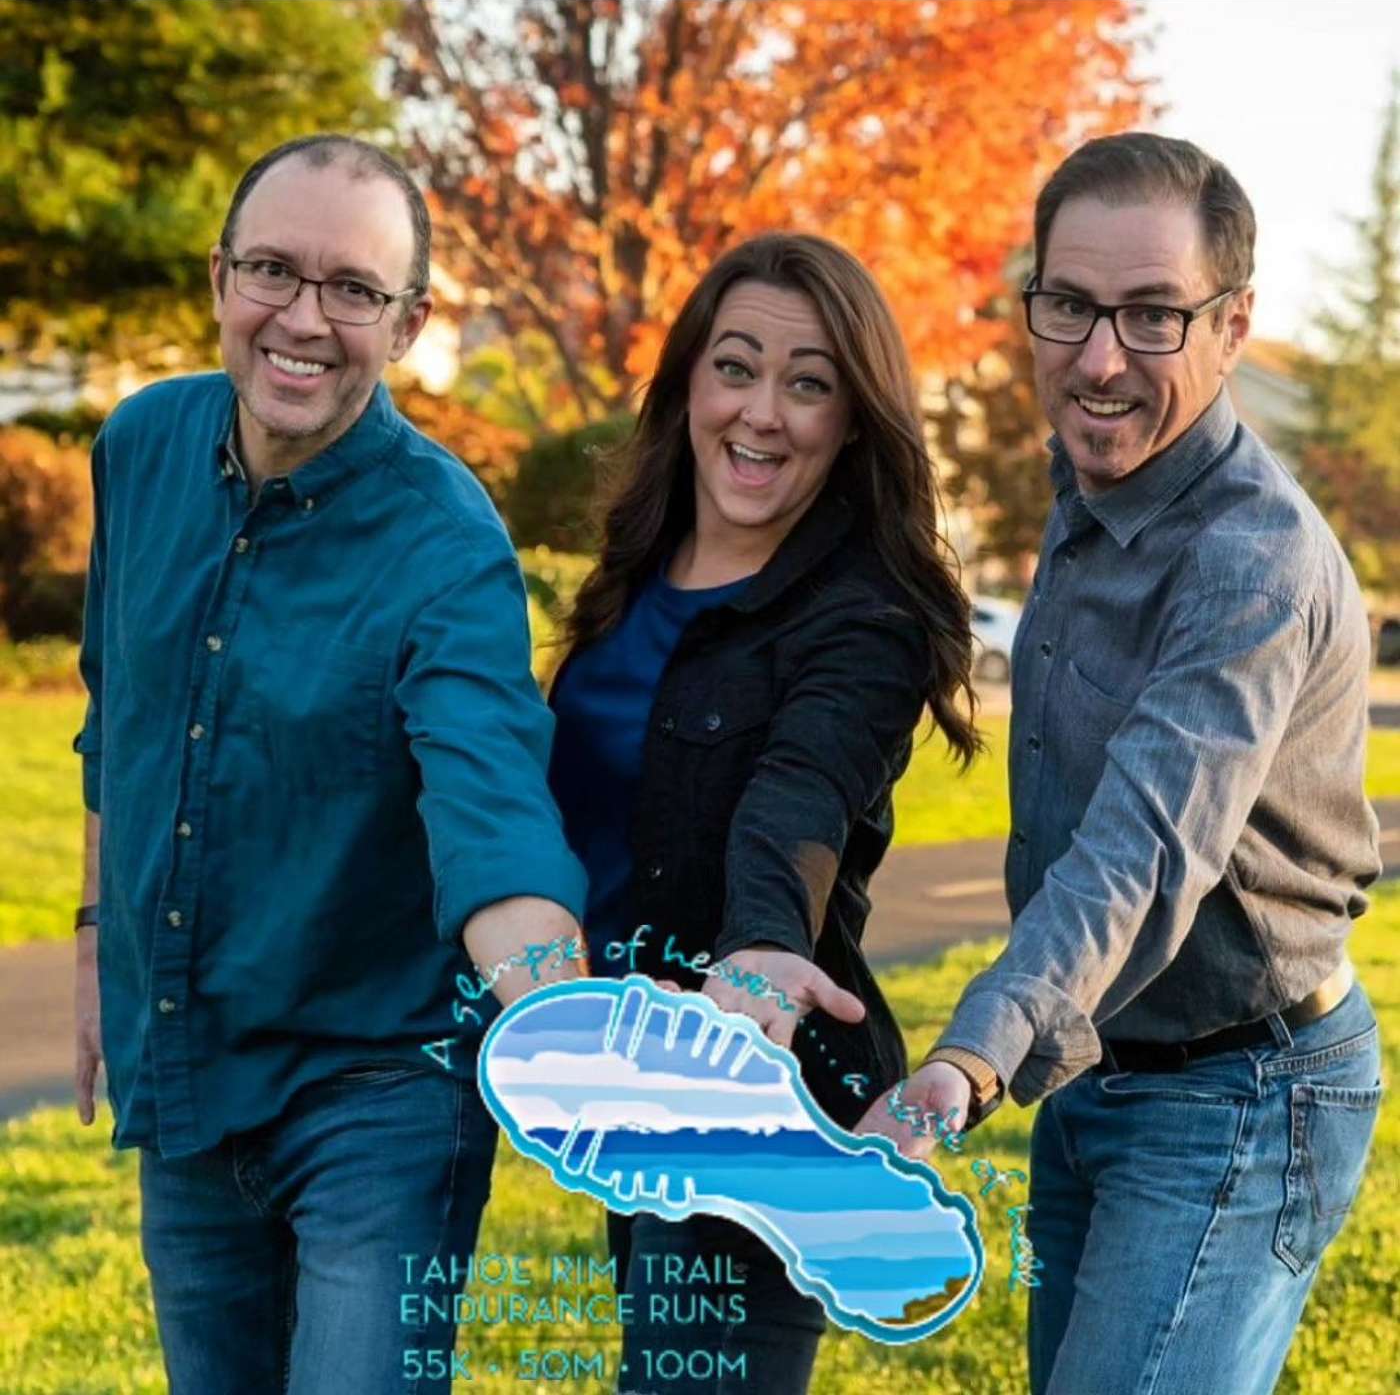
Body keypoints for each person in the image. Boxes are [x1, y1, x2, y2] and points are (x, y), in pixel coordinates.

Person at [858, 132, 1384, 1394]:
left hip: (1243, 1089)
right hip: (1100, 1061)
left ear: (1232, 321)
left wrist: (963, 1061)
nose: (1098, 359)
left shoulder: (1246, 559)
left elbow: (1143, 843)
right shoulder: (1091, 482)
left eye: (1151, 315)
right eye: (1069, 305)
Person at [71, 134, 588, 1395]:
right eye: (272, 271)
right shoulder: (140, 447)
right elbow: (119, 713)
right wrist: (99, 933)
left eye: (352, 289)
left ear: (407, 323)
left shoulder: (445, 540)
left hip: (378, 1093)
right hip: (189, 1068)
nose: (304, 319)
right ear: (218, 279)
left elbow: (491, 806)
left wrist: (550, 1011)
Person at [546, 232, 978, 1393]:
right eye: (735, 367)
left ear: (851, 420)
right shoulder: (637, 568)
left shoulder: (865, 616)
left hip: (761, 1088)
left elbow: (799, 791)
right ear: (687, 379)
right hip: (629, 1079)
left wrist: (760, 946)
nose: (763, 412)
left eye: (810, 383)